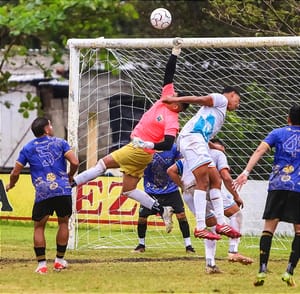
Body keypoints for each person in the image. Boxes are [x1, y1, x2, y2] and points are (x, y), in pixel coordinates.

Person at [72, 38, 189, 233]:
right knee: (128, 190)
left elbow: (169, 144)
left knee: (103, 164)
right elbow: (169, 75)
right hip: (140, 151)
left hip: (139, 149)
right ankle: (161, 209)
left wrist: (148, 144)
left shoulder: (172, 118)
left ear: (177, 105)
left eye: (174, 96)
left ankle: (71, 183)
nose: (170, 93)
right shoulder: (165, 99)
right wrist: (174, 52)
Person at [162, 86, 241, 240]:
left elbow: (203, 130)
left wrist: (212, 146)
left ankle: (220, 223)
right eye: (237, 101)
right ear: (231, 95)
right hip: (192, 140)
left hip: (198, 142)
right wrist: (174, 99)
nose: (237, 105)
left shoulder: (220, 113)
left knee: (215, 179)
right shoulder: (221, 99)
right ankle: (200, 227)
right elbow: (199, 99)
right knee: (203, 181)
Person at [234, 105, 300, 287]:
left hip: (278, 185)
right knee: (299, 231)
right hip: (298, 188)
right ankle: (289, 272)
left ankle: (262, 270)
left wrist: (246, 172)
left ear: (288, 118)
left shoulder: (277, 133)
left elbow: (259, 151)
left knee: (268, 229)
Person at [167, 138, 253, 274]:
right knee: (236, 213)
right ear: (221, 147)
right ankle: (233, 251)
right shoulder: (218, 154)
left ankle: (210, 265)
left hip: (190, 192)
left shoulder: (190, 156)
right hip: (206, 189)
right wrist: (236, 195)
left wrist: (182, 186)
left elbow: (171, 170)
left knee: (210, 229)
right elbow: (225, 177)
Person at [6, 117, 79, 274]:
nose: (51, 127)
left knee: (39, 227)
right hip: (62, 189)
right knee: (63, 223)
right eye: (50, 125)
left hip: (43, 191)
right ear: (46, 129)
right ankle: (59, 261)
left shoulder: (27, 148)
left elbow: (15, 172)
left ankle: (42, 265)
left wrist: (12, 184)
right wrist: (70, 176)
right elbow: (75, 162)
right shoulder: (60, 143)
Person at [133, 144, 195, 253]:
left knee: (181, 216)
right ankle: (141, 245)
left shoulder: (174, 148)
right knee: (142, 218)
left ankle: (188, 246)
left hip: (171, 189)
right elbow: (138, 168)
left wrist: (183, 183)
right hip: (150, 191)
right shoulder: (145, 149)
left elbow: (181, 165)